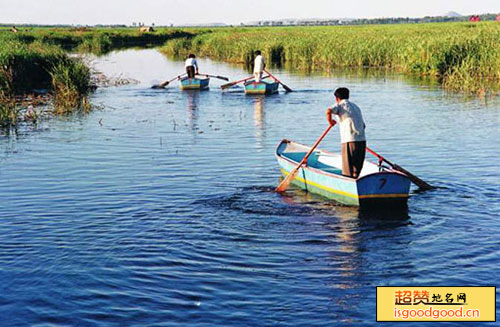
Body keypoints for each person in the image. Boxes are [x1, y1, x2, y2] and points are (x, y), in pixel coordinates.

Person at [326, 87, 366, 178]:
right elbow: (363, 126)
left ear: (337, 98)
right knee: (357, 168)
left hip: (349, 140)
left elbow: (328, 111)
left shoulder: (340, 105)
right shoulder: (356, 107)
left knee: (348, 168)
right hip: (361, 140)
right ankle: (357, 180)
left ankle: (348, 183)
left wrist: (330, 121)